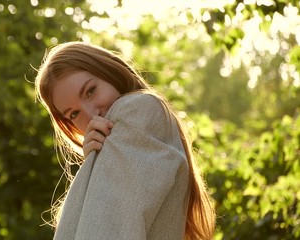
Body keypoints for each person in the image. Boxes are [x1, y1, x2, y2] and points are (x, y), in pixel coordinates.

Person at [35, 41, 216, 240]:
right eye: (74, 114)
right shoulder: (117, 137)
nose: (92, 113)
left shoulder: (139, 111)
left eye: (90, 91)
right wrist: (93, 166)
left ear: (109, 72)